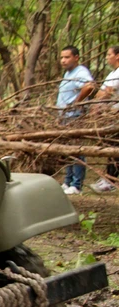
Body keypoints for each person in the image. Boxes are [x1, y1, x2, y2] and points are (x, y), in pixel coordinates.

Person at [57, 45, 95, 195]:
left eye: (67, 57)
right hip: (65, 117)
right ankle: (68, 182)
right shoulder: (68, 73)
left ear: (76, 57)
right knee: (68, 150)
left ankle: (76, 185)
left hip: (74, 116)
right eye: (62, 57)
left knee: (77, 150)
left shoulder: (81, 72)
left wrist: (77, 102)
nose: (63, 60)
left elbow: (90, 86)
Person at [90, 45, 119, 193]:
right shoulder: (112, 73)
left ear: (117, 56)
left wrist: (96, 102)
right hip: (110, 115)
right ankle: (108, 178)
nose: (107, 57)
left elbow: (107, 92)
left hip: (116, 115)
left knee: (113, 148)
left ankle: (111, 180)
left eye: (109, 55)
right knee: (110, 147)